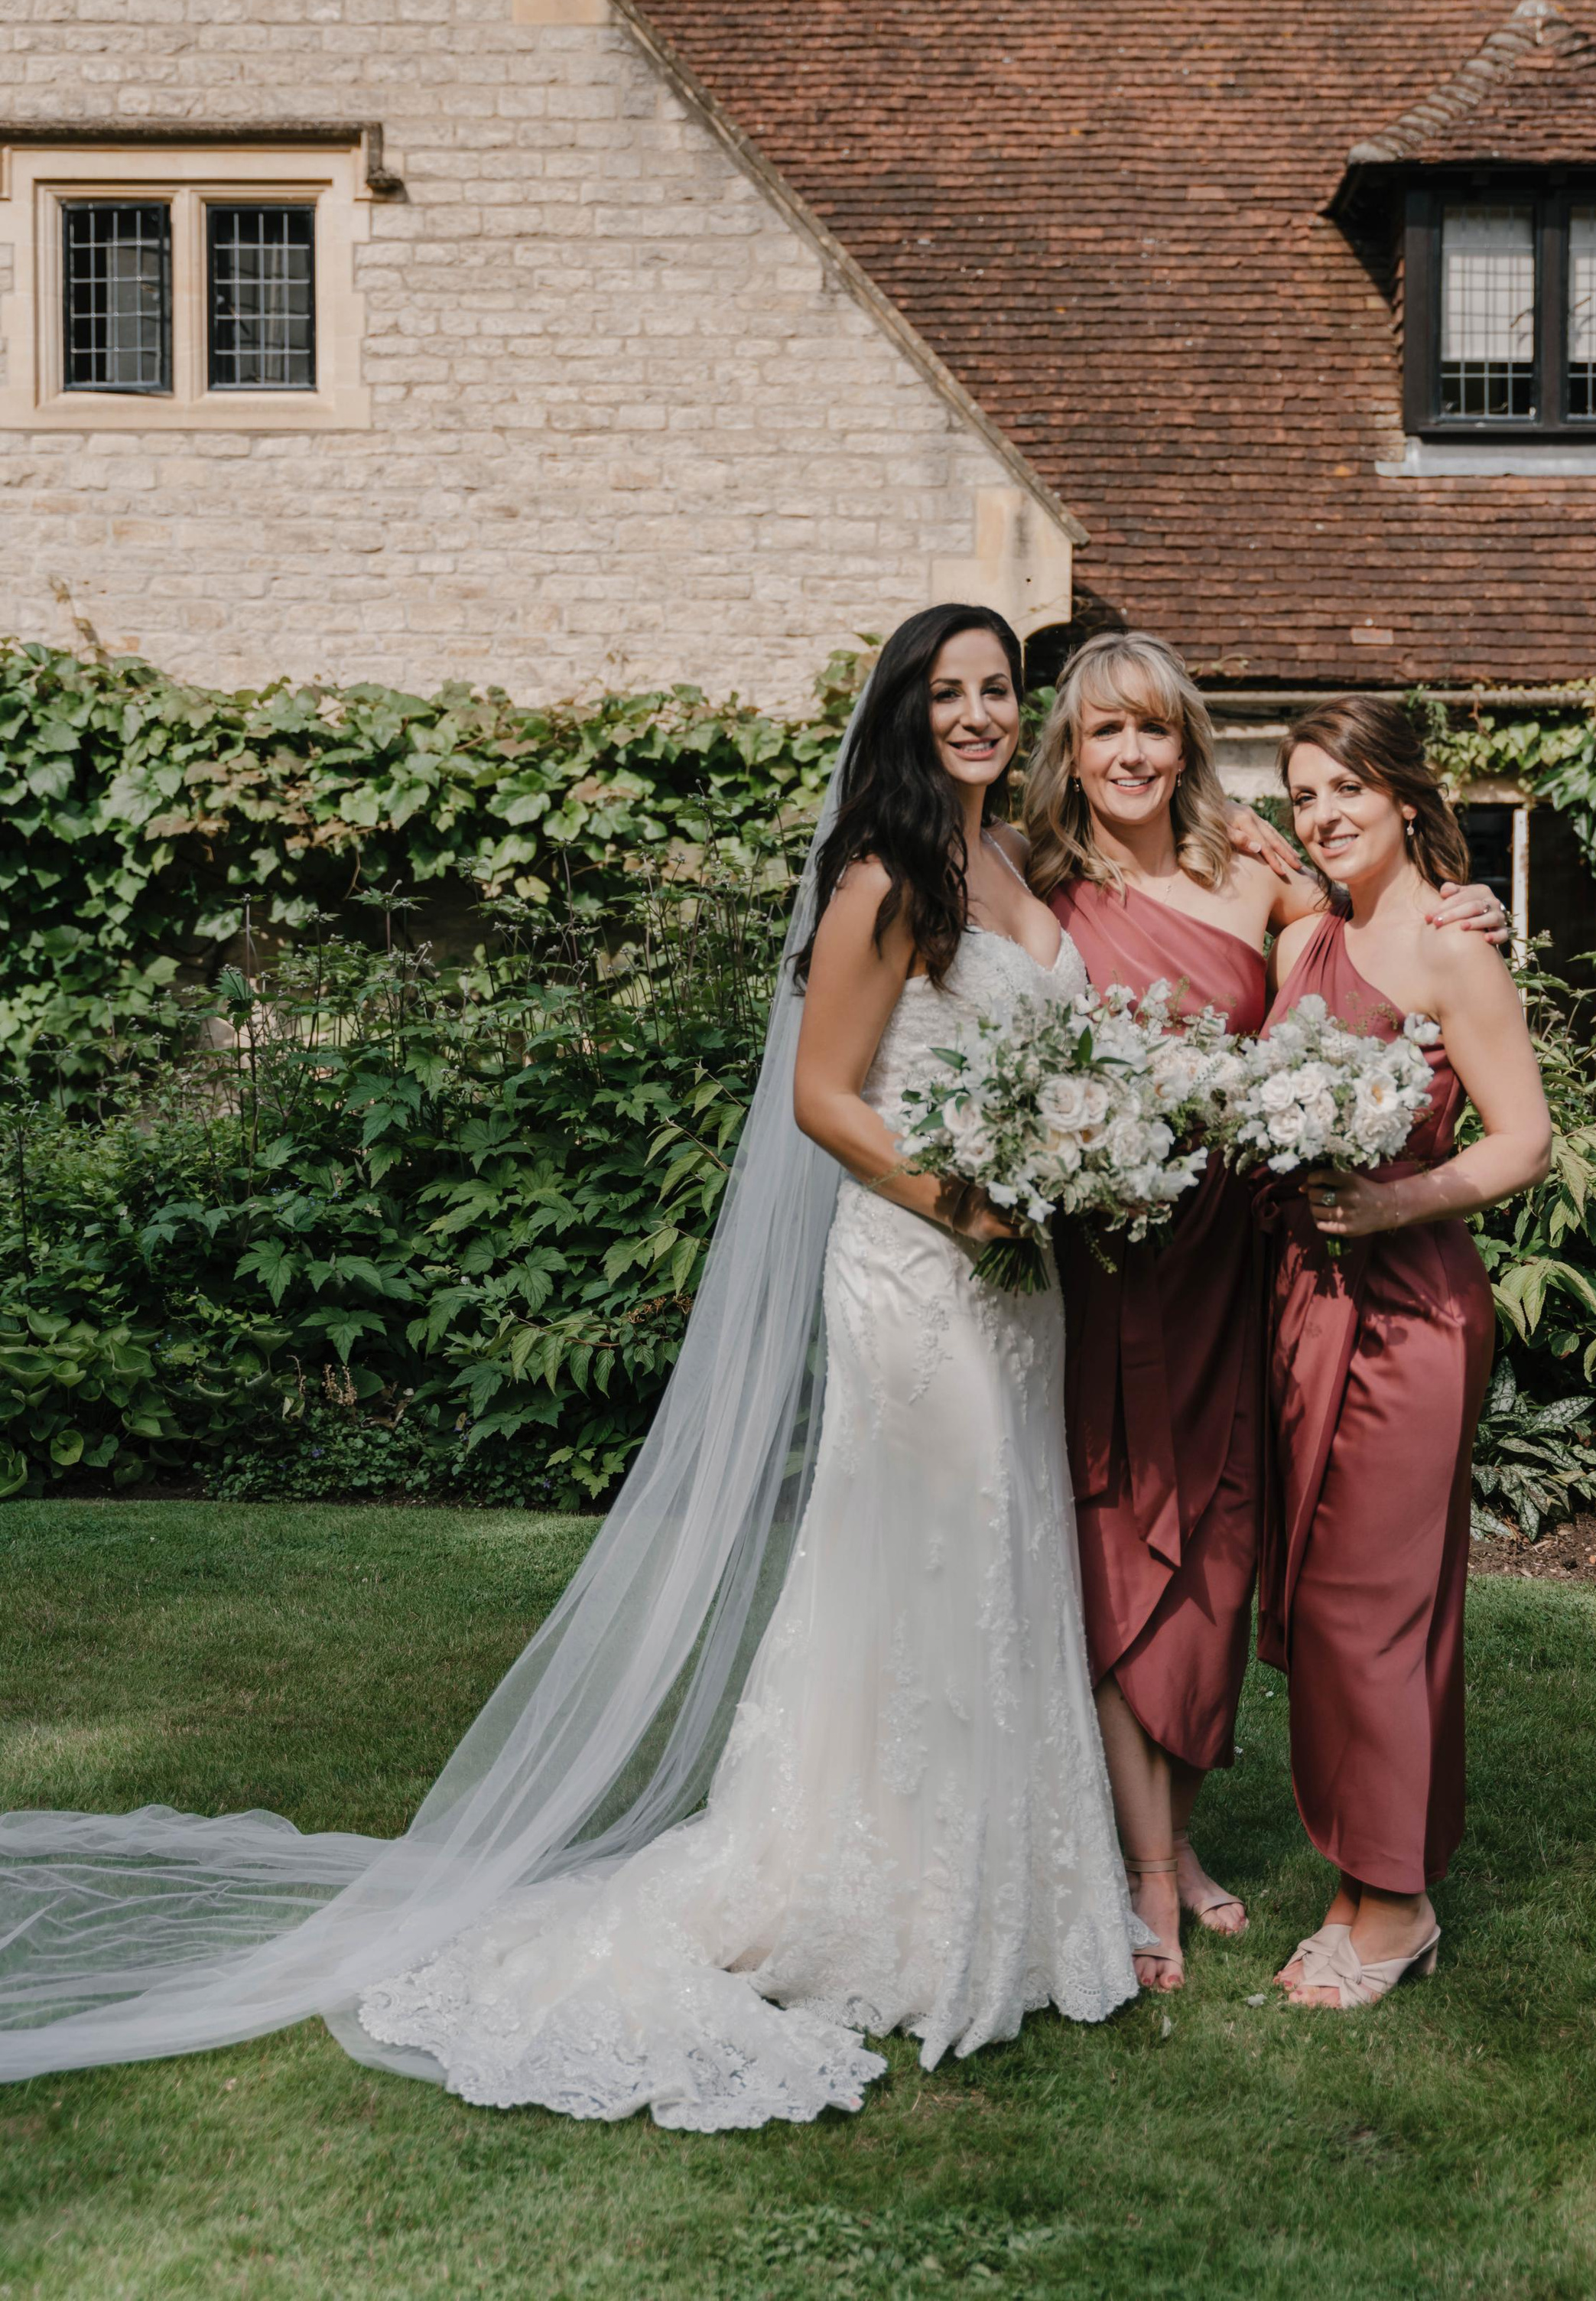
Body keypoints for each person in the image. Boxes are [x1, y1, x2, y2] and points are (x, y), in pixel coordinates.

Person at [0, 607, 1140, 2127]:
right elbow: (822, 1097)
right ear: (903, 714)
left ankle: (1021, 1884)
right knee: (929, 1555)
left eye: (1000, 690)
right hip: (920, 1267)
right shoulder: (887, 877)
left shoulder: (1014, 866)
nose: (982, 714)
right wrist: (967, 1200)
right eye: (950, 693)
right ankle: (898, 1902)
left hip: (1019, 1287)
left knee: (1002, 1555)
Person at [1013, 634, 1510, 1994]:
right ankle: (1151, 1867)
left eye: (1156, 731)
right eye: (1102, 733)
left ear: (1187, 743)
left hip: (1255, 1265)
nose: (1129, 757)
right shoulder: (1031, 884)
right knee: (1129, 1540)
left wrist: (1471, 913)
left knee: (1240, 1559)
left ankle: (1273, 1867)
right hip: (1121, 1267)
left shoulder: (1255, 874)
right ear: (1069, 748)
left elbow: (1361, 967)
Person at [1259, 698, 1552, 2013]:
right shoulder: (1309, 930)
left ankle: (1399, 1904)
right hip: (1307, 1304)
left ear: (1403, 794)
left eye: (1346, 792)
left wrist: (1394, 1203)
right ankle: (1360, 1878)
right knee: (1322, 1604)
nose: (1323, 817)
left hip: (1413, 1307)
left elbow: (1522, 1138)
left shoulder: (1449, 946)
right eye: (1304, 795)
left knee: (1376, 1607)